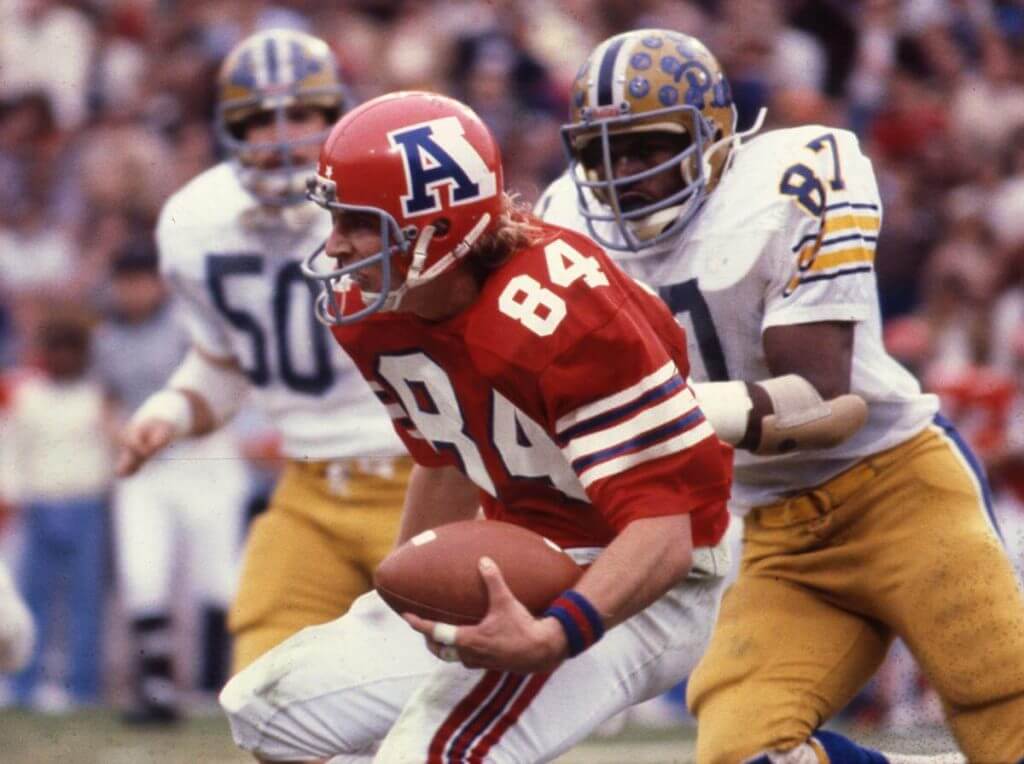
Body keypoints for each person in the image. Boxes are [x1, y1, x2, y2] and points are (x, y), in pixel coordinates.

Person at [537, 28, 1024, 764]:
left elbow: (823, 399)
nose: (621, 172)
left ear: (716, 136)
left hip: (896, 485)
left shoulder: (792, 177)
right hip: (773, 529)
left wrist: (677, 415)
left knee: (1002, 711)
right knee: (741, 754)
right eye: (600, 152)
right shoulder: (566, 221)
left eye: (646, 146)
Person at [219, 90, 734, 763]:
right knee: (265, 712)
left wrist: (557, 633)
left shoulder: (555, 314)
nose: (334, 245)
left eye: (356, 223)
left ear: (435, 229)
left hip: (645, 580)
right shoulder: (377, 309)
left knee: (432, 754)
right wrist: (409, 593)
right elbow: (445, 458)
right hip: (521, 553)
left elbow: (665, 532)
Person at [116, 28, 411, 676]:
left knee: (440, 702)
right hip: (307, 487)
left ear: (337, 117)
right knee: (265, 693)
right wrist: (169, 410)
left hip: (422, 478)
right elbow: (223, 361)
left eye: (300, 115)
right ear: (230, 129)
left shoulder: (388, 195)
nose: (280, 137)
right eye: (259, 120)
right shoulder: (197, 219)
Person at [96, 243, 250, 723]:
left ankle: (220, 686)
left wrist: (172, 429)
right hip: (146, 458)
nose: (133, 292)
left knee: (217, 576)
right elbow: (107, 400)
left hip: (202, 454)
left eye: (141, 281)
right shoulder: (107, 334)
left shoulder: (187, 323)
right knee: (144, 572)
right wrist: (125, 436)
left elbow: (221, 388)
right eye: (125, 283)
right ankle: (157, 688)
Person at [1, 311, 115, 711]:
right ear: (45, 353)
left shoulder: (96, 394)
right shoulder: (28, 395)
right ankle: (22, 686)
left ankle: (82, 689)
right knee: (33, 598)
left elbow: (110, 450)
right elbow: (12, 447)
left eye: (71, 350)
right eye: (56, 350)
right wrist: (12, 494)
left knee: (85, 600)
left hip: (86, 503)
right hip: (39, 504)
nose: (63, 358)